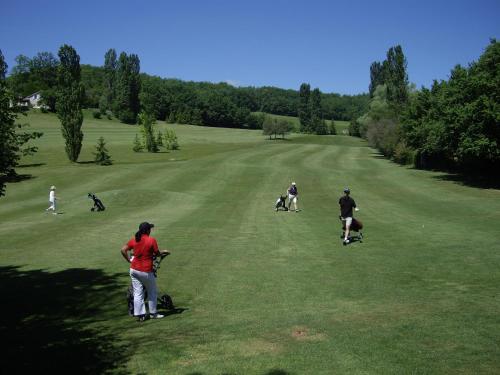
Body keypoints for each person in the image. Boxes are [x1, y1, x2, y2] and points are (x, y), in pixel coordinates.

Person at [121, 222, 170, 321]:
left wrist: (128, 260)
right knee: (152, 292)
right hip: (145, 271)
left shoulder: (135, 239)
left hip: (134, 270)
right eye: (150, 229)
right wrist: (164, 251)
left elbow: (123, 250)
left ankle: (140, 316)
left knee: (138, 293)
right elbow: (157, 254)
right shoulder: (151, 240)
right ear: (147, 230)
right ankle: (153, 313)